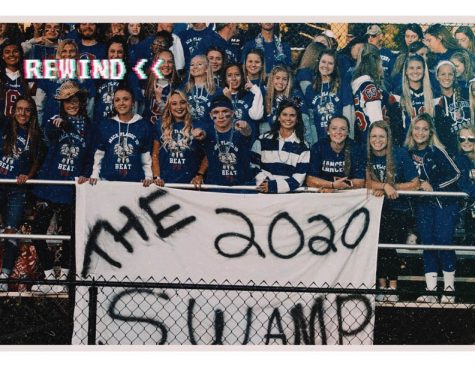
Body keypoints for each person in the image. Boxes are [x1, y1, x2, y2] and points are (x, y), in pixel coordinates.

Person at [31, 81, 93, 293]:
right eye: (67, 101)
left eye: (75, 100)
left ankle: (64, 280)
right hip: (51, 183)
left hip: (71, 187)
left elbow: (90, 155)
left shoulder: (89, 125)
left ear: (81, 101)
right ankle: (49, 276)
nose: (72, 104)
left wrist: (85, 175)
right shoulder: (54, 119)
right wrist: (60, 124)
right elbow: (50, 133)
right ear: (62, 104)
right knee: (37, 230)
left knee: (68, 233)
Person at [405, 113, 461, 303]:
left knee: (443, 242)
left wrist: (433, 185)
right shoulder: (406, 152)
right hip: (422, 205)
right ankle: (430, 291)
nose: (420, 132)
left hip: (443, 203)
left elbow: (456, 174)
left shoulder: (437, 151)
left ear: (430, 133)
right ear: (412, 131)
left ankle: (449, 289)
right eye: (417, 128)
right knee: (427, 243)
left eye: (425, 129)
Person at [366, 120, 420, 302]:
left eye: (381, 136)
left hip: (397, 209)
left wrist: (391, 187)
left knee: (389, 245)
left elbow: (415, 183)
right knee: (378, 247)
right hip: (373, 209)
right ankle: (382, 286)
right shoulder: (365, 154)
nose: (377, 140)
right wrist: (383, 185)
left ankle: (393, 287)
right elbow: (363, 182)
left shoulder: (400, 154)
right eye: (374, 136)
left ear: (388, 138)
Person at [0, 97, 42, 291]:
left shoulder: (34, 134)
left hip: (17, 189)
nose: (22, 114)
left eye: (27, 110)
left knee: (11, 230)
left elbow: (36, 160)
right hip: (1, 181)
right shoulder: (6, 127)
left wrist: (28, 175)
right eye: (19, 109)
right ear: (13, 110)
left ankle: (4, 275)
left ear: (32, 113)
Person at [88, 86, 153, 185]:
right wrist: (95, 175)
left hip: (134, 183)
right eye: (117, 100)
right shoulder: (106, 125)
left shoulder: (143, 125)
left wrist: (148, 176)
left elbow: (145, 156)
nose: (121, 103)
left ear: (133, 102)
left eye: (126, 99)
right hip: (108, 182)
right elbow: (99, 154)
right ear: (113, 104)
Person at [250, 99, 310, 193]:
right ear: (278, 117)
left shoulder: (303, 147)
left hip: (287, 196)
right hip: (262, 192)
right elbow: (253, 165)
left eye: (292, 115)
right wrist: (266, 183)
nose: (288, 119)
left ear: (297, 119)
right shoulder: (262, 140)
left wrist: (274, 187)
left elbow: (299, 178)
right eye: (284, 114)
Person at [194, 95, 252, 187]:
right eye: (216, 112)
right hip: (215, 187)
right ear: (210, 115)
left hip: (240, 187)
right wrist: (200, 174)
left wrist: (245, 127)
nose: (220, 116)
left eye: (225, 111)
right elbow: (207, 152)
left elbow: (247, 132)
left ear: (232, 113)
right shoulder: (208, 130)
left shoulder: (238, 128)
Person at [298, 49, 353, 145]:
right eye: (323, 62)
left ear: (335, 67)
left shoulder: (342, 86)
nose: (326, 66)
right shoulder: (310, 89)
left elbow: (348, 115)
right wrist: (313, 142)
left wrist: (348, 139)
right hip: (319, 138)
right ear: (318, 62)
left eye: (330, 63)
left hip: (338, 138)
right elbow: (311, 120)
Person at [151, 90, 205, 185]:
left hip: (190, 185)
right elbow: (155, 155)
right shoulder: (160, 125)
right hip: (165, 184)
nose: (179, 107)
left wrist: (199, 175)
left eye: (182, 103)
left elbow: (207, 154)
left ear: (187, 104)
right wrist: (157, 177)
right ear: (169, 106)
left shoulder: (197, 124)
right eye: (174, 104)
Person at [306, 115, 365, 192]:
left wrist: (337, 187)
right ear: (328, 131)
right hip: (323, 191)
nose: (338, 132)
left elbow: (360, 182)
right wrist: (331, 185)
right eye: (334, 128)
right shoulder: (318, 147)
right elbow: (310, 180)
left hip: (346, 192)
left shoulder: (355, 148)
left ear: (348, 132)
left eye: (343, 129)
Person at [388, 54, 435, 146]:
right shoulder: (397, 95)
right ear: (405, 71)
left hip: (429, 144)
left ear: (424, 70)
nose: (415, 71)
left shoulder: (434, 94)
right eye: (411, 68)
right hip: (405, 144)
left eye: (418, 68)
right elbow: (395, 127)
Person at [94, 36, 142, 123]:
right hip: (100, 124)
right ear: (107, 53)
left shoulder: (131, 76)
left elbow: (136, 105)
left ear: (124, 55)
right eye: (112, 51)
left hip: (122, 126)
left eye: (119, 52)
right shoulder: (98, 73)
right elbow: (91, 104)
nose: (115, 55)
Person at [351, 43, 388, 145]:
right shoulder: (369, 87)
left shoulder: (357, 84)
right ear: (377, 62)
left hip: (364, 137)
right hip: (374, 141)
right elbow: (376, 119)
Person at [434, 60, 471, 156]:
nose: (447, 78)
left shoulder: (467, 93)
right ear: (437, 77)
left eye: (450, 74)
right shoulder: (434, 100)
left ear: (454, 77)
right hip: (450, 150)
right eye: (443, 74)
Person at [222, 62, 264, 142]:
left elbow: (257, 116)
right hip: (228, 143)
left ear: (242, 77)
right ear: (225, 78)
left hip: (248, 142)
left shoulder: (250, 94)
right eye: (229, 75)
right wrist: (227, 100)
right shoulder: (220, 95)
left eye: (237, 75)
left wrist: (256, 91)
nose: (234, 78)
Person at [143, 49, 182, 124]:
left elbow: (174, 113)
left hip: (168, 128)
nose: (166, 65)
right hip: (148, 128)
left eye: (170, 62)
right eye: (162, 61)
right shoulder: (146, 82)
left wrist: (159, 99)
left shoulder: (178, 86)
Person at [184, 54, 221, 126]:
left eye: (199, 64)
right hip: (187, 131)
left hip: (209, 132)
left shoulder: (218, 91)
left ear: (207, 68)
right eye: (192, 65)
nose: (194, 67)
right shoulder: (184, 89)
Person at [0, 41, 31, 120]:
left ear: (21, 54)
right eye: (7, 52)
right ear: (2, 56)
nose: (11, 55)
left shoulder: (29, 76)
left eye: (15, 51)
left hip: (21, 125)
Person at [455, 126, 475, 247]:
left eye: (471, 139)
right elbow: (463, 185)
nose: (466, 142)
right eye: (462, 139)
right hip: (468, 209)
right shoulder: (459, 160)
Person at [365, 24, 396, 91]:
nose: (370, 39)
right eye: (368, 36)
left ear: (380, 36)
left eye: (373, 36)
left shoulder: (388, 54)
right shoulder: (364, 54)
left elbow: (393, 76)